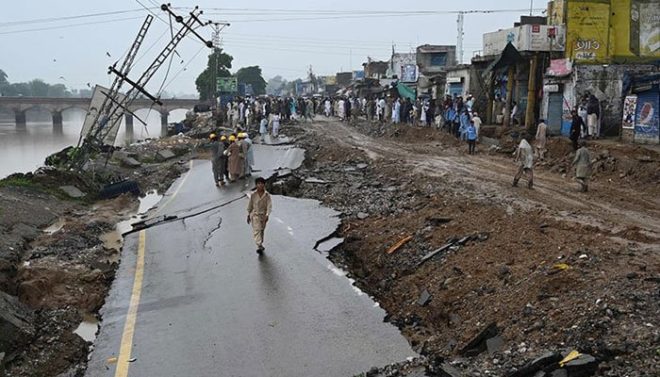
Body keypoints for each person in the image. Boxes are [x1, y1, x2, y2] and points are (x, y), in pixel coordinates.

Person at [247, 177, 272, 254]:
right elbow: (250, 205)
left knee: (261, 230)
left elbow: (269, 206)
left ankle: (260, 244)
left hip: (263, 216)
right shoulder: (253, 195)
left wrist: (267, 215)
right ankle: (259, 244)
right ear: (256, 185)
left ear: (264, 185)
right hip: (255, 215)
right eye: (258, 183)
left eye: (262, 183)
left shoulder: (267, 195)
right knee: (257, 230)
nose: (260, 185)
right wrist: (248, 214)